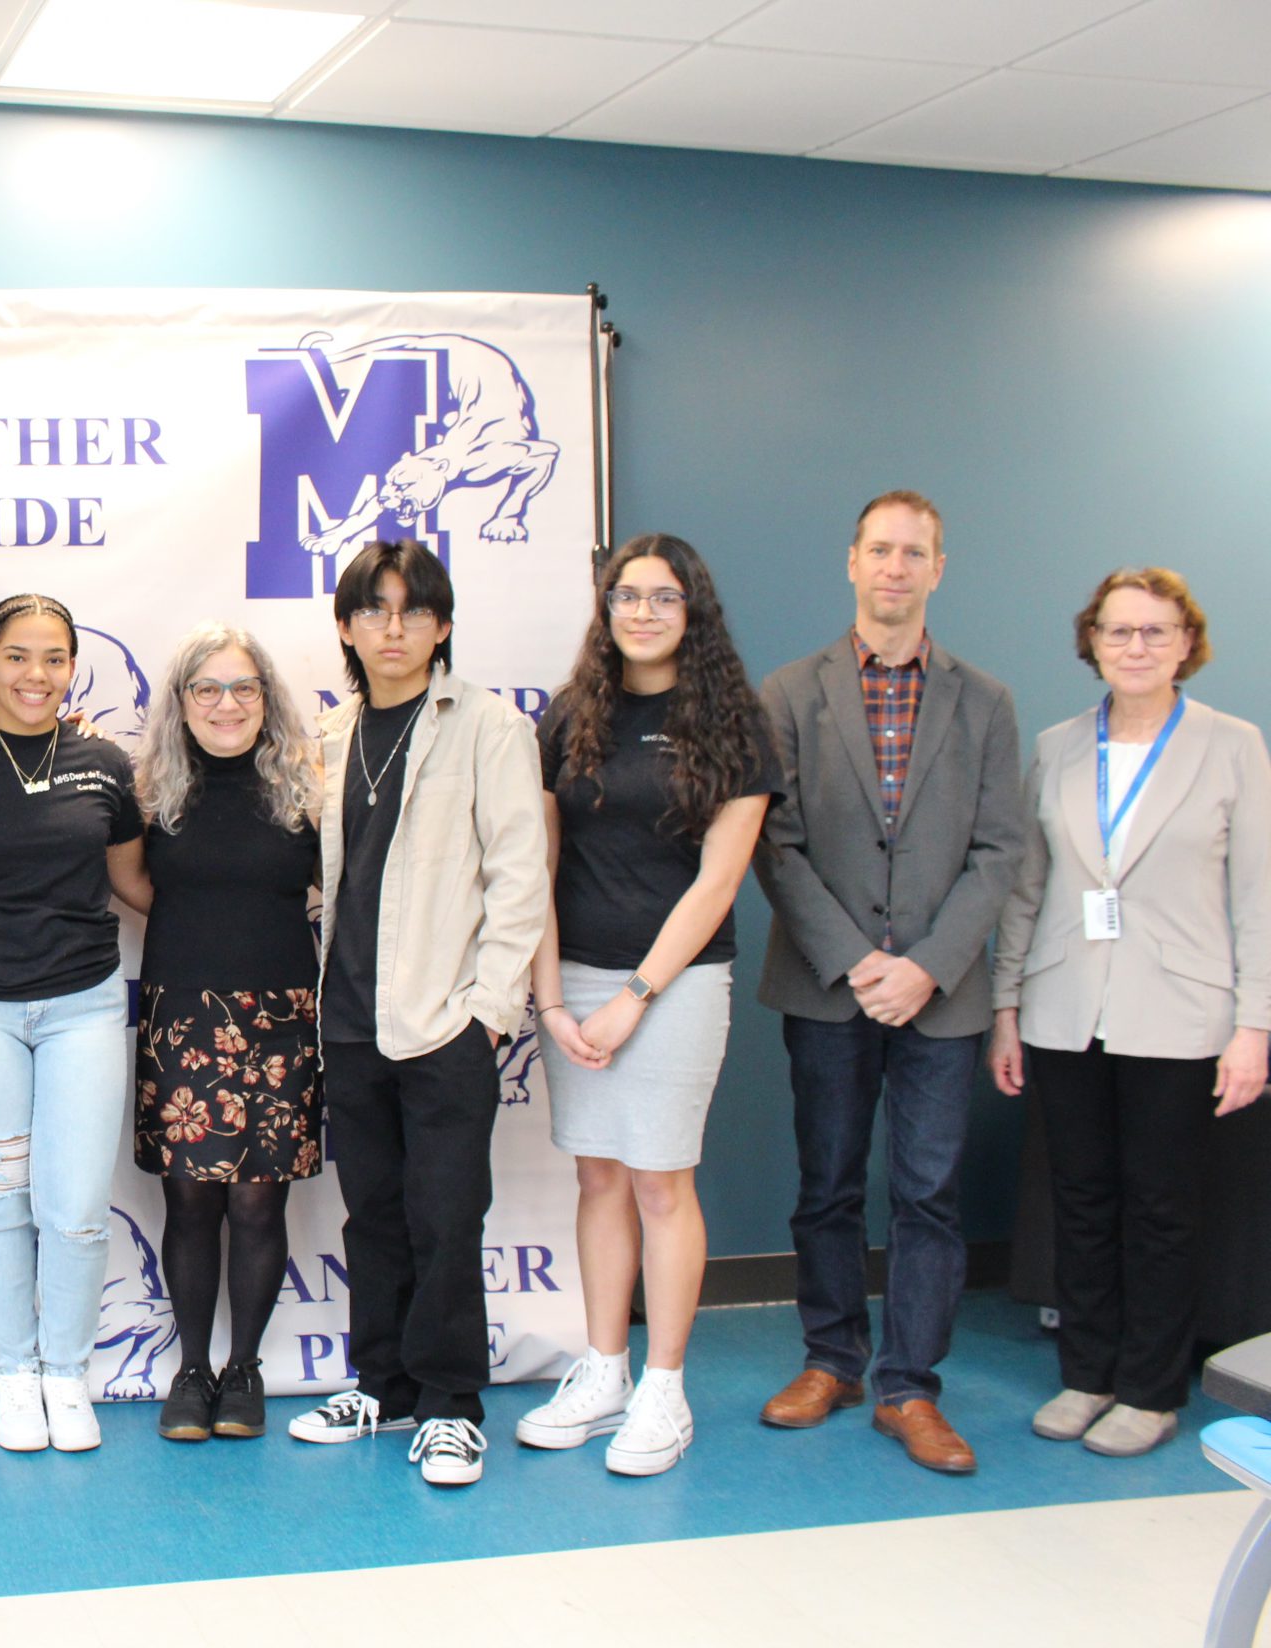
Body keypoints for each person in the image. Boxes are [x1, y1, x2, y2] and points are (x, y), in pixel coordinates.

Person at [753, 490, 1023, 1474]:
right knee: (825, 1186)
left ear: (937, 570)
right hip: (828, 984)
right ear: (852, 562)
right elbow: (773, 846)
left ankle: (909, 1387)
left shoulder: (984, 701)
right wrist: (859, 961)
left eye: (915, 553)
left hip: (940, 995)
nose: (896, 567)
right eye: (880, 550)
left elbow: (998, 853)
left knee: (927, 1195)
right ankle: (831, 1360)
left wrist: (924, 968)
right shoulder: (788, 692)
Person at [990, 569, 1270, 1457]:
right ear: (1092, 643)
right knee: (1079, 1200)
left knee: (1162, 1207)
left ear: (1187, 641)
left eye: (1156, 631)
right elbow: (1027, 889)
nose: (1137, 647)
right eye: (1119, 632)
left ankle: (1150, 1390)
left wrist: (1255, 1026)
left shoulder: (1233, 746)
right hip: (1066, 1006)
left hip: (1182, 1014)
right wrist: (1006, 1006)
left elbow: (1258, 897)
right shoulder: (1060, 746)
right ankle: (1088, 1373)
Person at [285, 540, 545, 1487]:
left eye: (412, 611)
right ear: (348, 626)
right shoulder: (330, 733)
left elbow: (520, 875)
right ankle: (383, 1384)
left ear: (441, 625)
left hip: (444, 1022)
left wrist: (488, 1012)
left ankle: (450, 1402)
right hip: (348, 1020)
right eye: (373, 610)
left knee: (445, 1215)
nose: (392, 629)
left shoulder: (486, 728)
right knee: (374, 1216)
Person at [517, 535, 777, 1477]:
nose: (643, 612)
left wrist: (635, 994)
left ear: (691, 610)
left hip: (676, 982)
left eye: (664, 598)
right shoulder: (571, 715)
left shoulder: (733, 721)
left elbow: (719, 879)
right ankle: (604, 1368)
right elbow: (538, 867)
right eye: (627, 596)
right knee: (597, 1179)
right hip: (574, 982)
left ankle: (665, 1386)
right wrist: (549, 998)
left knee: (661, 1182)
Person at [0, 593, 148, 1453]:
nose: (34, 674)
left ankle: (65, 1372)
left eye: (52, 657)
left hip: (84, 1004)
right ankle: (14, 1369)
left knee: (77, 1207)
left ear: (71, 667)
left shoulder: (104, 764)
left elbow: (137, 886)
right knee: (1, 1201)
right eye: (17, 656)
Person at [130, 622, 322, 1443]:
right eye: (206, 687)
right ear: (180, 703)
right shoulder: (149, 790)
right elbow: (132, 885)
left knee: (255, 1202)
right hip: (185, 1012)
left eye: (243, 687)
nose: (226, 703)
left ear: (267, 699)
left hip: (281, 1014)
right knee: (189, 1200)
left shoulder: (307, 788)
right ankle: (191, 1370)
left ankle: (244, 1370)